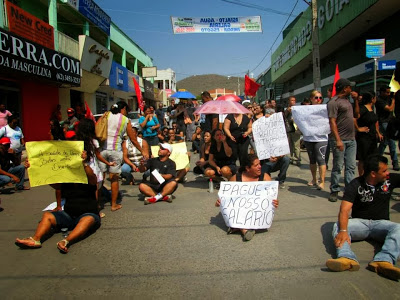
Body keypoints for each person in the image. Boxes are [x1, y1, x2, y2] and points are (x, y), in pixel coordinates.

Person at [325, 155, 400, 281]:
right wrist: (343, 231)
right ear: (373, 173)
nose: (388, 173)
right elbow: (344, 210)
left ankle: (384, 261)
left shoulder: (390, 180)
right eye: (384, 171)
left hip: (382, 224)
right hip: (360, 224)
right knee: (338, 226)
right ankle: (346, 258)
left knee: (398, 228)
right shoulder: (355, 184)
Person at [14, 150, 101, 254]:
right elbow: (53, 183)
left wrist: (83, 163)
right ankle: (36, 239)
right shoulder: (67, 181)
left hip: (88, 214)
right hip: (69, 215)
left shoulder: (89, 180)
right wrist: (33, 168)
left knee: (88, 219)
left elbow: (91, 175)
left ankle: (66, 241)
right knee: (47, 215)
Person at [215, 154, 279, 241]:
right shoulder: (236, 178)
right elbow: (227, 198)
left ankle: (241, 228)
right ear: (248, 168)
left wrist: (274, 202)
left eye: (260, 164)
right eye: (256, 165)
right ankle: (245, 230)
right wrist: (220, 202)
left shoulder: (265, 178)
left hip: (257, 212)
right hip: (242, 211)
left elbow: (270, 198)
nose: (260, 167)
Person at [98, 101, 145, 212]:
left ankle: (98, 205)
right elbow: (133, 139)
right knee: (114, 179)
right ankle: (114, 205)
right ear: (123, 108)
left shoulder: (105, 115)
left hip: (102, 150)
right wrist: (142, 151)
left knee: (99, 179)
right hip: (115, 151)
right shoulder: (125, 120)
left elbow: (97, 128)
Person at [327, 78, 358, 202]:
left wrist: (356, 101)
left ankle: (349, 191)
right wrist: (338, 140)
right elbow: (332, 122)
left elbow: (356, 115)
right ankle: (334, 190)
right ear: (345, 88)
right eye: (350, 87)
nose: (351, 89)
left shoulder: (348, 101)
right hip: (340, 140)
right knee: (338, 166)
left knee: (350, 167)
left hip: (351, 140)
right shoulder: (333, 102)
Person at [303, 91, 328, 190]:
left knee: (321, 159)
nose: (319, 100)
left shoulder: (325, 109)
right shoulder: (305, 109)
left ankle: (322, 181)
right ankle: (314, 179)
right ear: (311, 99)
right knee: (312, 160)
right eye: (316, 98)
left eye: (320, 98)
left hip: (321, 138)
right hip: (309, 138)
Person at [355, 92, 382, 176]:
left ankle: (369, 176)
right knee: (363, 159)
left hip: (372, 138)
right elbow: (354, 118)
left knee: (372, 158)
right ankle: (362, 177)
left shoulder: (371, 109)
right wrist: (358, 129)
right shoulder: (363, 109)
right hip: (364, 138)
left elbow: (374, 123)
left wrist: (378, 133)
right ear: (372, 99)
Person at [376, 85, 399, 171]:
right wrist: (393, 100)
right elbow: (389, 109)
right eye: (387, 92)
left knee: (384, 142)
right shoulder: (379, 100)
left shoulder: (388, 99)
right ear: (382, 92)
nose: (388, 94)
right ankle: (395, 162)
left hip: (391, 122)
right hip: (384, 122)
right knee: (391, 142)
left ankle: (377, 158)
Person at [285, 96, 301, 166]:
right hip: (289, 129)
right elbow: (284, 117)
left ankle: (298, 159)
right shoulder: (287, 109)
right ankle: (291, 158)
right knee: (290, 145)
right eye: (292, 100)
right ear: (289, 101)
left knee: (296, 145)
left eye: (294, 100)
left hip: (295, 129)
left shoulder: (297, 109)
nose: (293, 102)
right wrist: (287, 111)